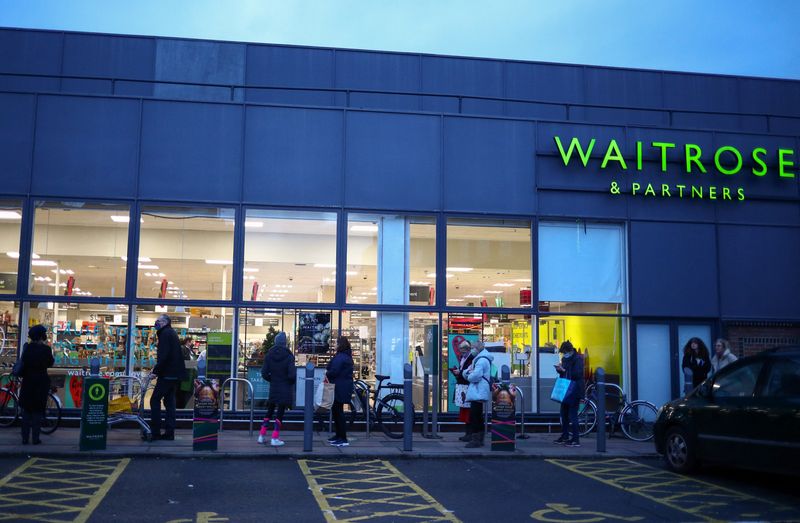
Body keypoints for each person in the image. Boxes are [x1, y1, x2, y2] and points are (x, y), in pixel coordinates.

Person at [149, 314, 186, 441]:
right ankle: (169, 433)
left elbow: (164, 355)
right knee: (170, 403)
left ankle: (155, 432)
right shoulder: (171, 333)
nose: (156, 322)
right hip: (174, 374)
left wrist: (156, 371)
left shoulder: (165, 334)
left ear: (164, 322)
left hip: (167, 374)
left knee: (154, 400)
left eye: (158, 321)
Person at [258, 332, 296, 447]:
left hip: (274, 386)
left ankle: (261, 435)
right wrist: (289, 382)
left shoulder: (269, 355)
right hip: (284, 387)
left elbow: (264, 373)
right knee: (280, 413)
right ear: (285, 343)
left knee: (269, 410)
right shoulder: (289, 356)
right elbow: (292, 375)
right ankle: (275, 437)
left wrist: (272, 380)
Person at [18, 325, 54, 445]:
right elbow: (50, 363)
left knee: (27, 412)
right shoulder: (46, 350)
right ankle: (35, 438)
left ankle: (24, 438)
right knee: (38, 412)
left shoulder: (27, 348)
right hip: (41, 383)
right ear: (41, 336)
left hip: (28, 382)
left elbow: (23, 363)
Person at [553, 340, 585, 447]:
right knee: (564, 414)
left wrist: (564, 370)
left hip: (575, 390)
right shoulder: (565, 359)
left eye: (564, 352)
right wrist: (559, 370)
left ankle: (576, 439)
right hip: (566, 390)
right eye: (562, 353)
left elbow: (577, 374)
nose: (564, 354)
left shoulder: (578, 359)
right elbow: (564, 373)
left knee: (572, 415)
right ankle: (565, 436)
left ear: (569, 351)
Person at [462, 341, 493, 448]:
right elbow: (468, 371)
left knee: (475, 416)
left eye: (473, 348)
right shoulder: (481, 359)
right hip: (479, 390)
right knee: (476, 415)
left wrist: (468, 375)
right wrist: (467, 373)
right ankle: (478, 438)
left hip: (478, 390)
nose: (471, 350)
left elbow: (475, 376)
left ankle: (476, 440)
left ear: (477, 349)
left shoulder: (481, 360)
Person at [326, 336, 354, 447]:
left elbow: (334, 371)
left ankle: (343, 438)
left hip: (339, 387)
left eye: (336, 343)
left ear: (340, 345)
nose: (334, 345)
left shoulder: (341, 357)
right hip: (341, 386)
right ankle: (338, 436)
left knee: (339, 413)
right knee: (337, 412)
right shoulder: (344, 356)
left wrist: (327, 373)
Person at [449, 339, 476, 442]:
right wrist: (458, 372)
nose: (461, 353)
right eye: (460, 351)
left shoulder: (471, 359)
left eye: (463, 351)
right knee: (465, 411)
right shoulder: (464, 358)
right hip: (463, 386)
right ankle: (467, 434)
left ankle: (470, 434)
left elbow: (469, 373)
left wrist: (459, 373)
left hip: (467, 387)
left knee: (468, 412)